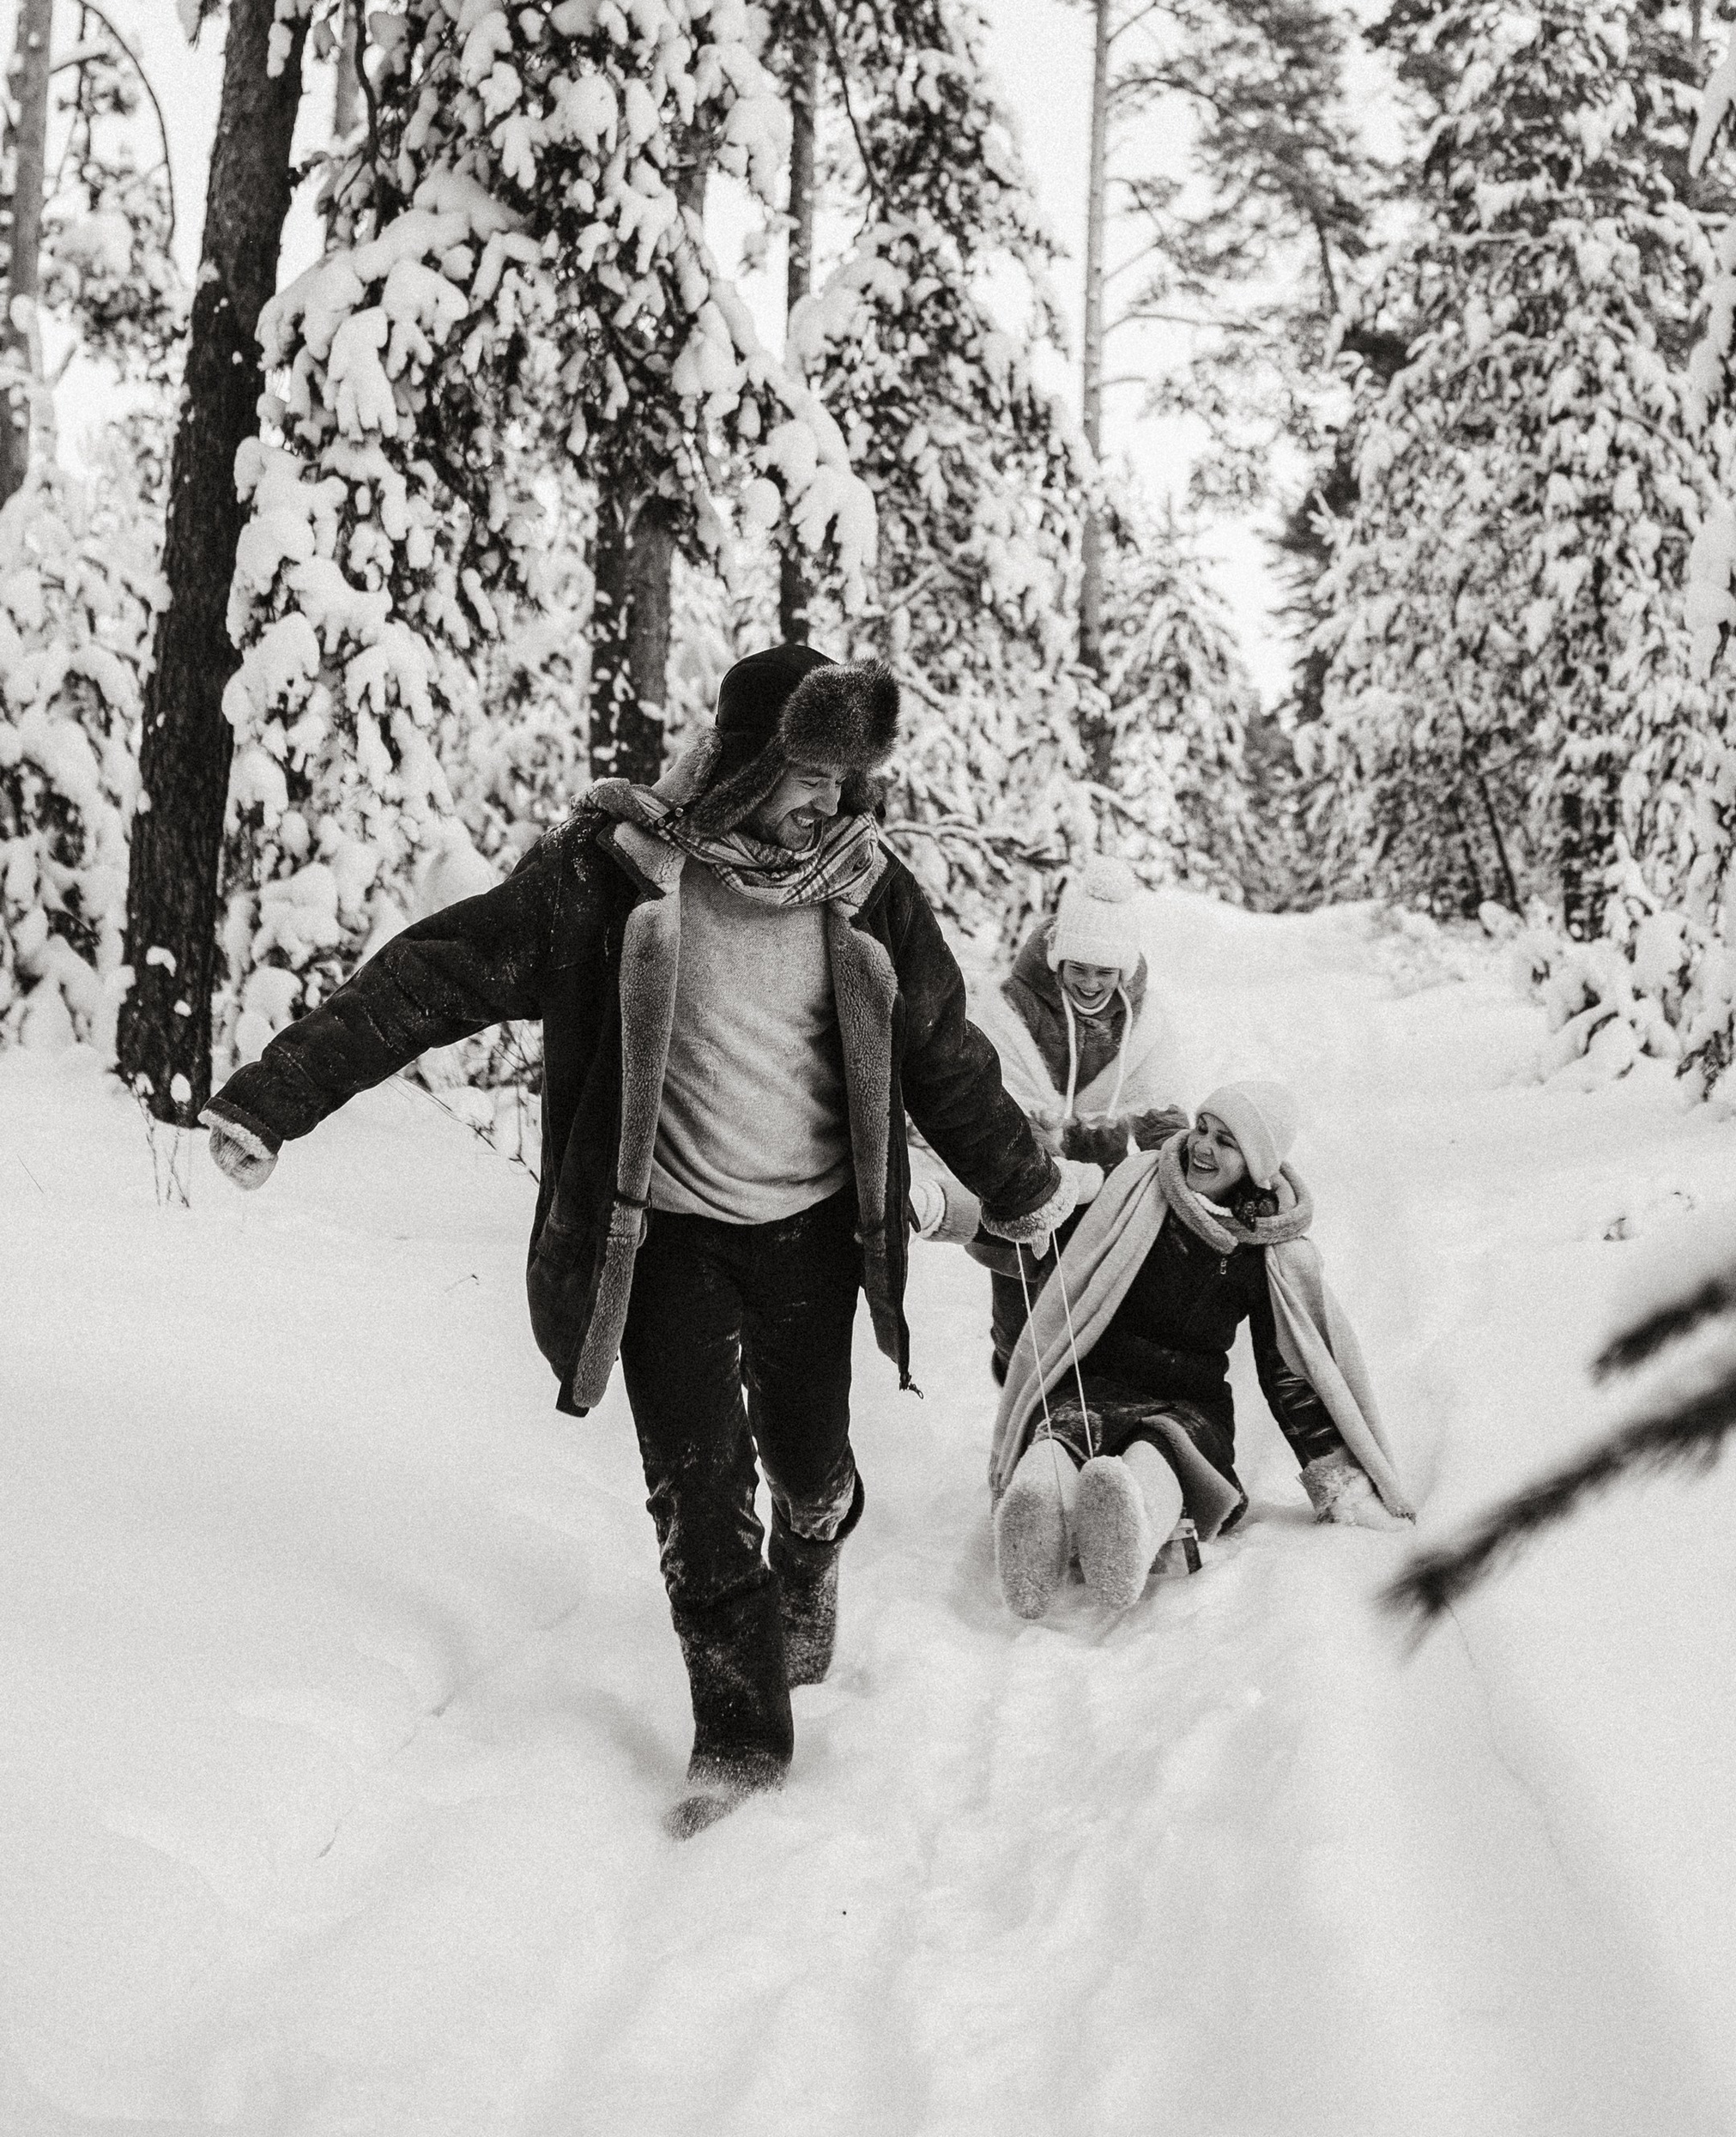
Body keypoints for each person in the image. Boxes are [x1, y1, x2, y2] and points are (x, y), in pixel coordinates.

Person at [201, 643, 1075, 1834]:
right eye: (810, 773)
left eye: (847, 776)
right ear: (744, 763)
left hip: (812, 1233)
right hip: (662, 1241)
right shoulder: (616, 876)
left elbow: (943, 1054)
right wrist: (273, 1098)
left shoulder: (867, 888)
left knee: (809, 1474)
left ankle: (814, 1551)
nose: (834, 798)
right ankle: (741, 1739)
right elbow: (438, 976)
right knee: (697, 1496)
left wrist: (1021, 1188)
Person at [987, 1080, 1412, 1620]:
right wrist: (962, 1203)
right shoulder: (1136, 1187)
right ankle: (1035, 1515)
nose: (1203, 1147)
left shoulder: (1267, 1249)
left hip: (1187, 1403)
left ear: (1257, 1166)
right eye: (1203, 1129)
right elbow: (1051, 1204)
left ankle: (1128, 1524)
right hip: (1094, 1383)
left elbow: (1292, 1372)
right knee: (1062, 1436)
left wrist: (1338, 1481)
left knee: (1159, 1453)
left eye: (1226, 1142)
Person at [950, 856, 1189, 1379]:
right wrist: (1036, 1157)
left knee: (1085, 1314)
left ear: (1123, 971)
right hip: (1022, 1183)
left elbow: (1159, 1107)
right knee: (1019, 1323)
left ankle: (1070, 1425)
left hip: (1100, 1191)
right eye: (1078, 968)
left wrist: (1182, 1175)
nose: (1090, 983)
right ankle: (1015, 1402)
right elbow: (991, 1090)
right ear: (1058, 960)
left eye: (1105, 972)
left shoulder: (1141, 1020)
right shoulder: (1015, 1006)